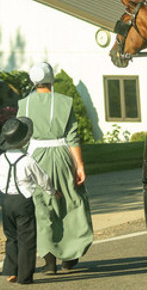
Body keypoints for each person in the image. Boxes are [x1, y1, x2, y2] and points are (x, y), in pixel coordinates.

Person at [18, 62, 93, 274]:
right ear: (51, 79)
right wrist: (79, 165)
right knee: (70, 202)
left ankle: (48, 260)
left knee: (42, 207)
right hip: (62, 156)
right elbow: (72, 135)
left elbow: (20, 136)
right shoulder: (63, 102)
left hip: (35, 158)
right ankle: (70, 256)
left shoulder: (24, 104)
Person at [0, 117, 58, 284]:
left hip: (6, 200)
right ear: (24, 140)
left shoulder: (1, 159)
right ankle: (24, 276)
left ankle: (11, 271)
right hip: (23, 201)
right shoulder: (28, 160)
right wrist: (52, 192)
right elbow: (42, 179)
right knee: (27, 239)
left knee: (11, 237)